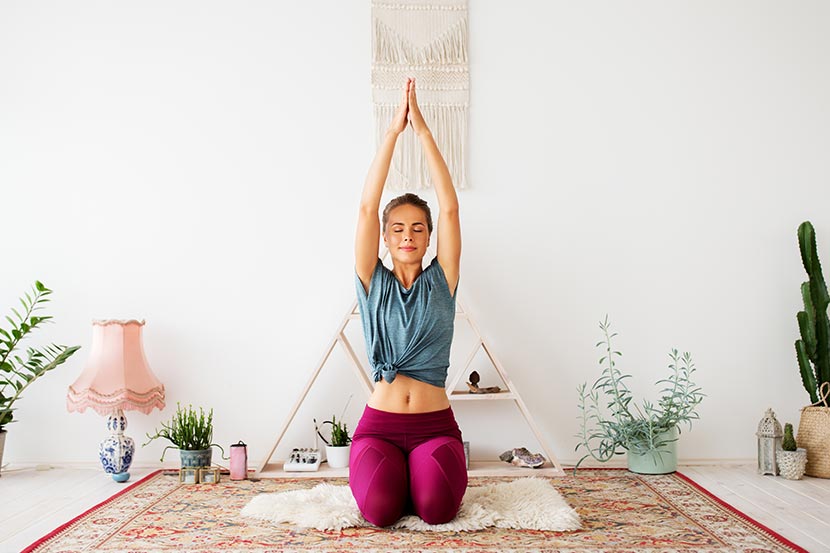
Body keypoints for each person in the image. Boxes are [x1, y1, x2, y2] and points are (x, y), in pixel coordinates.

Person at [349, 77, 466, 527]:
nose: (407, 236)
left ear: (430, 237)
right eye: (397, 228)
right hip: (378, 426)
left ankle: (417, 475)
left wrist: (423, 133)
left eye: (418, 228)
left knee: (436, 512)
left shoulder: (444, 280)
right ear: (385, 236)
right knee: (379, 513)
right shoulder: (369, 280)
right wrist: (392, 135)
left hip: (434, 427)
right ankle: (395, 477)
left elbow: (451, 208)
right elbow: (365, 207)